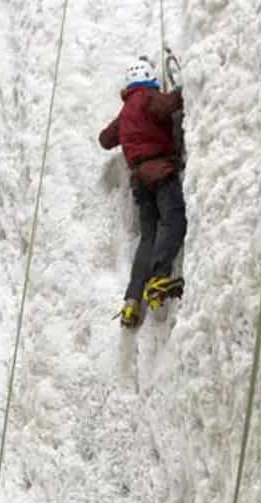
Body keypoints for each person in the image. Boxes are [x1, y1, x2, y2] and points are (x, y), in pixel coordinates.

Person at [99, 55, 187, 329]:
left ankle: (132, 301)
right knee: (173, 221)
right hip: (161, 172)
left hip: (140, 181)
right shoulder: (148, 97)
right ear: (149, 79)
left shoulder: (125, 111)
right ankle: (160, 277)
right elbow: (171, 104)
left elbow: (105, 139)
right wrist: (184, 88)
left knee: (148, 237)